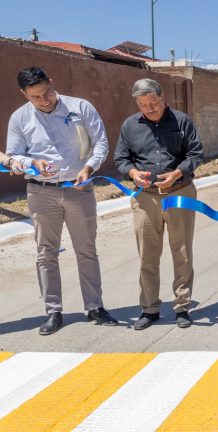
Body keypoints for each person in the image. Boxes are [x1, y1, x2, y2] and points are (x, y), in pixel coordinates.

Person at [5, 66, 117, 335]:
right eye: (36, 97)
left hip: (79, 190)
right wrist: (31, 162)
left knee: (86, 250)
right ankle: (53, 311)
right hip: (41, 193)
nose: (45, 100)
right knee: (46, 253)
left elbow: (100, 142)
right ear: (24, 94)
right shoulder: (19, 118)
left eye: (47, 93)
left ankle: (94, 306)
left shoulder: (80, 107)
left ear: (52, 83)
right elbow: (13, 155)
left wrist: (89, 167)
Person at [114, 78, 203, 331]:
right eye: (143, 105)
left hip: (179, 192)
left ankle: (182, 307)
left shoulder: (182, 121)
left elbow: (196, 153)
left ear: (163, 97)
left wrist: (178, 172)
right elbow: (121, 158)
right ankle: (149, 308)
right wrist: (132, 173)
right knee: (147, 256)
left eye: (153, 103)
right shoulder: (130, 126)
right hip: (145, 198)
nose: (149, 108)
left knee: (182, 253)